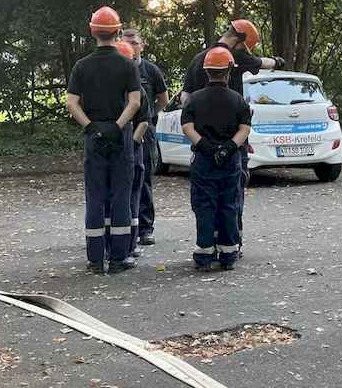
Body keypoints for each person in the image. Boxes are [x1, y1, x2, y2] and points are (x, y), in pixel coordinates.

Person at [181, 19, 285, 257]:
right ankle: (231, 246)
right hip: (233, 146)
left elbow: (185, 99)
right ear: (239, 41)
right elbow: (264, 63)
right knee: (231, 197)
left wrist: (201, 135)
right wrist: (278, 61)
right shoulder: (233, 57)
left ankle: (206, 247)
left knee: (205, 200)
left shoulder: (198, 60)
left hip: (202, 147)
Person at [66, 6, 141, 274]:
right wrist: (117, 126)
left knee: (95, 197)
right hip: (120, 136)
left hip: (94, 137)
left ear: (92, 32)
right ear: (117, 31)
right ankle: (119, 258)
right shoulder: (128, 65)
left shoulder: (81, 66)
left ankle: (96, 259)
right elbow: (135, 102)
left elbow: (72, 103)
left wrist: (91, 128)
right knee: (121, 196)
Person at [181, 47, 251, 271]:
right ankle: (228, 254)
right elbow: (245, 128)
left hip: (203, 161)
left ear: (206, 71)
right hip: (230, 162)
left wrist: (206, 147)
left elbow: (187, 127)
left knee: (204, 206)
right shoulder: (238, 100)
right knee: (229, 206)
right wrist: (228, 148)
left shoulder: (194, 100)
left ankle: (204, 254)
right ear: (228, 71)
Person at [122, 28, 169, 246]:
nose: (130, 46)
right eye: (126, 42)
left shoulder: (150, 70)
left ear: (142, 45)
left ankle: (145, 228)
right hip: (121, 129)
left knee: (143, 179)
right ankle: (122, 227)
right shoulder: (117, 69)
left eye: (134, 42)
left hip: (144, 130)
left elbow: (163, 99)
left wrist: (148, 116)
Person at [116, 40, 149, 257]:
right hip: (126, 149)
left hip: (130, 150)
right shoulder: (133, 90)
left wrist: (132, 143)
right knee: (126, 199)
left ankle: (129, 242)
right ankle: (123, 244)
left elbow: (143, 122)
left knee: (132, 198)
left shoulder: (138, 92)